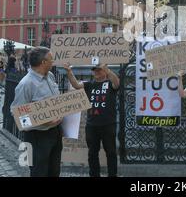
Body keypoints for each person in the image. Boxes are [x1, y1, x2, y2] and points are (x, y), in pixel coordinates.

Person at [11, 47, 62, 177]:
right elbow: (17, 115)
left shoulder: (50, 76)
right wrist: (44, 120)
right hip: (36, 137)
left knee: (54, 171)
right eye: (51, 59)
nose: (53, 61)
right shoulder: (25, 84)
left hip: (55, 133)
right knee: (39, 172)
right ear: (43, 62)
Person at [64, 62, 120, 177]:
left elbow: (117, 83)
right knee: (92, 153)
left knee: (111, 152)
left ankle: (112, 174)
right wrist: (69, 72)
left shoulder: (110, 84)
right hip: (92, 125)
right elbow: (76, 85)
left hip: (108, 124)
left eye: (99, 69)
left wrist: (108, 70)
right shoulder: (89, 84)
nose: (97, 72)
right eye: (95, 70)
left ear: (104, 71)